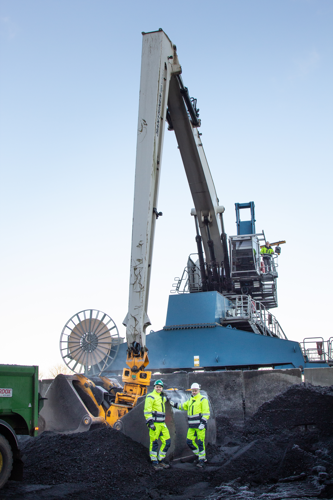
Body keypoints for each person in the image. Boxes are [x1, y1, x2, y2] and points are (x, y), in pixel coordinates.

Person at [170, 383, 210, 468]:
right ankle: (200, 456)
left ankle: (202, 460)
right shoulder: (190, 400)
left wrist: (203, 423)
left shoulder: (203, 399)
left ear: (198, 390)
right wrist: (172, 403)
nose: (194, 392)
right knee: (189, 441)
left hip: (200, 426)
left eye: (195, 390)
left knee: (200, 443)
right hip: (192, 426)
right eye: (193, 391)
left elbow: (206, 413)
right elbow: (182, 406)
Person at [144, 379, 171, 470]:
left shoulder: (162, 397)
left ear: (162, 388)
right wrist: (150, 422)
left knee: (167, 442)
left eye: (160, 387)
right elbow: (147, 411)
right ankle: (154, 462)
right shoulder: (150, 397)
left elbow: (165, 400)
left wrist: (169, 398)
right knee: (154, 443)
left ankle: (160, 460)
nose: (158, 388)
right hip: (154, 424)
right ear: (154, 387)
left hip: (162, 424)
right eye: (157, 387)